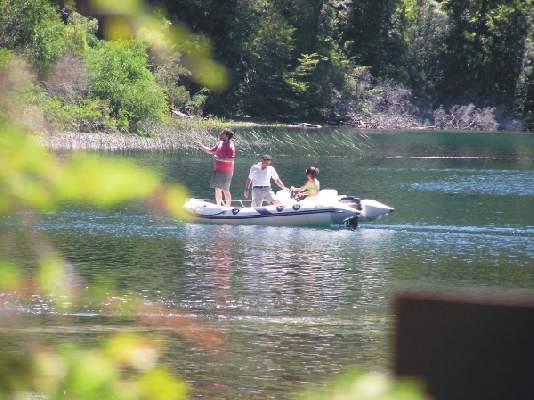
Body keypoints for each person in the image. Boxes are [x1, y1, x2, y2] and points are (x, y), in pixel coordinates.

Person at [193, 129, 235, 207]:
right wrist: (201, 146)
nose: (220, 134)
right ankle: (218, 206)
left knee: (225, 189)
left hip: (226, 171)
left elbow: (231, 160)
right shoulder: (220, 143)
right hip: (218, 170)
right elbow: (210, 151)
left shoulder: (230, 146)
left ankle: (227, 208)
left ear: (227, 136)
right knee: (217, 189)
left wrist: (219, 159)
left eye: (222, 133)